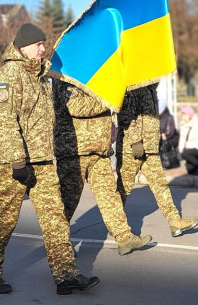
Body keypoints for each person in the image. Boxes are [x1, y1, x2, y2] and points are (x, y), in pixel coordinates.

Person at [0, 23, 99, 295]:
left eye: (44, 44)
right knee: (4, 219)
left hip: (43, 161)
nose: (44, 49)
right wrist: (19, 162)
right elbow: (3, 122)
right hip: (15, 163)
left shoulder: (42, 78)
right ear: (22, 47)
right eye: (38, 44)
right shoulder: (8, 76)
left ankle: (66, 274)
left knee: (55, 217)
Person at [53, 81, 150, 256]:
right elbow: (75, 106)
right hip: (75, 151)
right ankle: (59, 245)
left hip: (99, 150)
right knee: (67, 201)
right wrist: (107, 98)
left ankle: (124, 237)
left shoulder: (97, 77)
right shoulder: (67, 74)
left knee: (110, 197)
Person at [118, 84, 198, 238]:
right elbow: (126, 116)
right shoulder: (133, 86)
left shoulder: (150, 89)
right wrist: (135, 141)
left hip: (150, 147)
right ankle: (117, 226)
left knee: (160, 185)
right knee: (123, 188)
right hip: (133, 148)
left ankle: (175, 221)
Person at [178, 105, 198, 175]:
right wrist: (181, 147)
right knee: (190, 170)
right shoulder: (182, 124)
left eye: (185, 115)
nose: (183, 117)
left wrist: (187, 147)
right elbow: (182, 138)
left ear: (190, 115)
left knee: (185, 154)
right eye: (182, 115)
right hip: (189, 148)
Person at [159, 102, 179, 168]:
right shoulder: (156, 118)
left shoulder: (169, 117)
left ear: (163, 109)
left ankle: (167, 162)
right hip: (160, 138)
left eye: (159, 109)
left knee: (162, 144)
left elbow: (169, 132)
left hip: (170, 139)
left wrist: (161, 135)